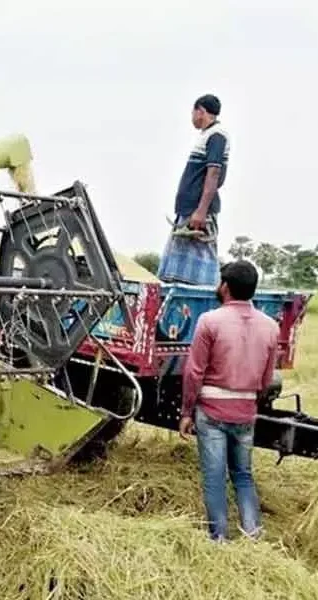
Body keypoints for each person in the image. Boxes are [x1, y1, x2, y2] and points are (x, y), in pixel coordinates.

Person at [179, 260, 279, 542]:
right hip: (245, 413)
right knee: (243, 476)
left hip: (211, 412)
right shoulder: (270, 327)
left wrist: (187, 411)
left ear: (225, 286)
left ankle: (219, 539)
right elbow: (266, 378)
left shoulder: (209, 321)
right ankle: (253, 536)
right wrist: (249, 402)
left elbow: (194, 371)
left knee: (214, 478)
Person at [157, 94, 230, 286]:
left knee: (203, 269)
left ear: (201, 111)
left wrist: (201, 210)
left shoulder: (217, 135)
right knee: (174, 269)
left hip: (198, 213)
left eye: (193, 112)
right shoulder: (206, 135)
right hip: (188, 209)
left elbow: (213, 173)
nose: (192, 117)